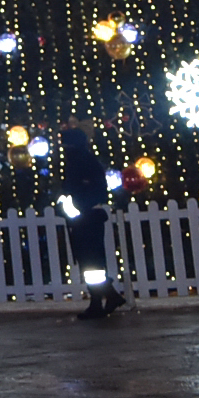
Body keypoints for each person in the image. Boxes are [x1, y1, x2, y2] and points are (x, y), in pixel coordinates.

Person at [56, 129, 124, 319]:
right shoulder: (83, 160)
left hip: (85, 217)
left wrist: (76, 208)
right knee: (90, 263)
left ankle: (105, 298)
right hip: (85, 216)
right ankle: (104, 298)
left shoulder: (81, 162)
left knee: (90, 261)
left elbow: (85, 189)